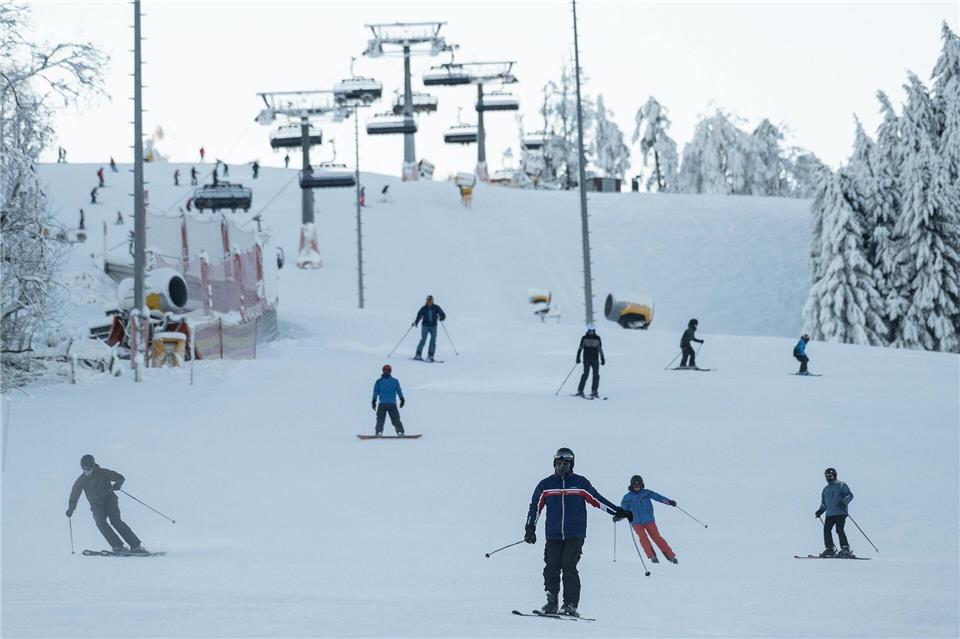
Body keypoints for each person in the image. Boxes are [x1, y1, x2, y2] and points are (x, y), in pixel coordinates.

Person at [525, 448, 632, 617]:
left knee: (568, 564)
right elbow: (535, 507)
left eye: (566, 463)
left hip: (575, 533)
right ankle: (552, 601)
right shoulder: (545, 485)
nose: (562, 466)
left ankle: (570, 604)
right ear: (554, 464)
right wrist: (530, 528)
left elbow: (597, 499)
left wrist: (617, 511)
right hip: (553, 534)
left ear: (571, 465)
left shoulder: (580, 483)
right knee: (552, 565)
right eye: (559, 463)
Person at [66, 454, 146, 553]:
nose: (87, 471)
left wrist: (118, 484)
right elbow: (74, 494)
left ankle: (136, 546)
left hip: (110, 502)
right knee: (100, 523)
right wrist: (71, 508)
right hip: (96, 506)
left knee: (115, 521)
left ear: (93, 465)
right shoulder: (81, 480)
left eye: (88, 469)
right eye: (84, 469)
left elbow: (120, 477)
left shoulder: (103, 473)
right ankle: (117, 546)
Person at [620, 475, 678, 564]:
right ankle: (652, 556)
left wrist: (669, 502)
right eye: (635, 486)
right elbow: (624, 510)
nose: (637, 487)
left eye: (638, 485)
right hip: (635, 522)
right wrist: (619, 516)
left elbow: (658, 497)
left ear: (641, 485)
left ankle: (671, 556)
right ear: (631, 485)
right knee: (643, 538)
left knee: (657, 537)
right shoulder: (627, 498)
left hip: (648, 520)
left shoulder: (646, 493)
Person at [815, 467, 855, 558]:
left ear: (835, 476)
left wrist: (844, 502)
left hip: (840, 512)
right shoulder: (825, 489)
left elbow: (850, 495)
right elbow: (824, 503)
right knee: (826, 530)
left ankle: (845, 549)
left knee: (839, 530)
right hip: (829, 514)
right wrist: (820, 511)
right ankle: (830, 549)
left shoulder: (841, 485)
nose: (829, 478)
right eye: (827, 476)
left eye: (830, 476)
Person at [371, 364, 405, 436]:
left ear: (390, 371)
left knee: (395, 419)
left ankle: (400, 432)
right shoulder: (379, 382)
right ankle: (379, 432)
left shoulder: (395, 381)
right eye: (385, 369)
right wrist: (373, 401)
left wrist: (402, 399)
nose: (386, 371)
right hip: (383, 404)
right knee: (380, 419)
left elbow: (399, 390)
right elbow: (375, 392)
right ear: (383, 370)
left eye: (388, 370)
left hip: (391, 403)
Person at [412, 295, 446, 362]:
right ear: (426, 301)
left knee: (433, 340)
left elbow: (443, 315)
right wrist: (416, 322)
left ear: (432, 301)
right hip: (425, 326)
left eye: (430, 301)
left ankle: (430, 356)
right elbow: (419, 315)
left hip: (433, 326)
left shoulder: (436, 308)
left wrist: (441, 318)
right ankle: (418, 354)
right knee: (423, 340)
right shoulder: (424, 308)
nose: (429, 302)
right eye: (428, 301)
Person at [575, 324, 605, 398]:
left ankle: (594, 391)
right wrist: (578, 357)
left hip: (595, 359)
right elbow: (580, 348)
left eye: (593, 331)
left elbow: (600, 349)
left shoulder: (597, 338)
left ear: (594, 331)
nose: (591, 332)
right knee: (585, 374)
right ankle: (580, 390)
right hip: (587, 359)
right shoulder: (584, 338)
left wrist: (602, 357)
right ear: (588, 330)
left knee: (596, 375)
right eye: (590, 331)